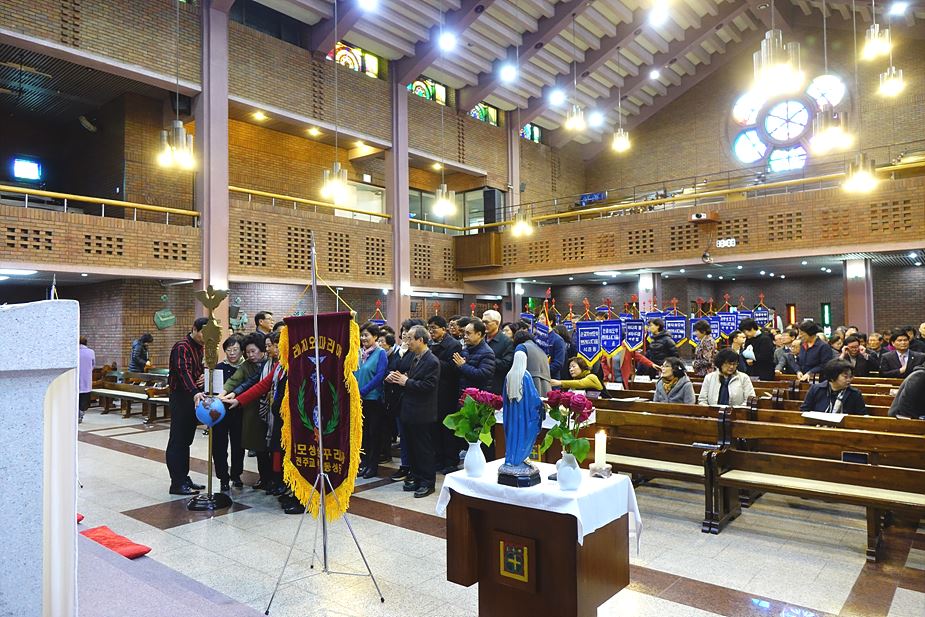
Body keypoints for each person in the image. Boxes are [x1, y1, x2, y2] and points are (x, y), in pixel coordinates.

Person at [225, 331, 287, 497]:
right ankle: (276, 481)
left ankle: (284, 483)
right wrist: (238, 399)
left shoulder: (290, 365)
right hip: (274, 414)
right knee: (274, 448)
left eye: (271, 346)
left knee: (281, 450)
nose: (269, 349)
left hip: (287, 416)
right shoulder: (277, 366)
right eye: (267, 346)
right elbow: (259, 385)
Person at [385, 325, 440, 498]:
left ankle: (427, 482)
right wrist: (396, 378)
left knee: (423, 449)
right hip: (409, 410)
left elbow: (429, 386)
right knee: (412, 448)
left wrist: (406, 382)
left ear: (421, 340)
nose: (407, 342)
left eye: (410, 338)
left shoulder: (432, 361)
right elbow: (406, 375)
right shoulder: (414, 357)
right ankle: (416, 478)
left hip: (422, 412)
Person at [165, 318, 207, 496]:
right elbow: (183, 372)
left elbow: (196, 370)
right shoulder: (182, 346)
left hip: (192, 397)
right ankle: (177, 483)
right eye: (204, 332)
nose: (206, 337)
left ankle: (184, 477)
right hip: (182, 397)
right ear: (194, 329)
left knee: (186, 441)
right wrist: (194, 391)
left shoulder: (200, 347)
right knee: (178, 440)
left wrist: (203, 376)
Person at [221, 333, 268, 488]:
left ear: (262, 350)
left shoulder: (270, 364)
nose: (250, 355)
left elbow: (255, 384)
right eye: (248, 352)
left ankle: (273, 479)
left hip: (269, 409)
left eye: (253, 351)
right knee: (258, 444)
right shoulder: (246, 366)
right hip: (252, 410)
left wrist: (236, 395)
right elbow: (236, 380)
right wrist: (223, 394)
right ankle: (264, 478)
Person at [427, 316, 463, 474]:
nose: (431, 331)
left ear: (443, 329)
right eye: (429, 328)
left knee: (448, 429)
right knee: (435, 428)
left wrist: (432, 359)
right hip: (433, 392)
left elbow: (453, 369)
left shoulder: (453, 345)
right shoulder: (430, 344)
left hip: (448, 392)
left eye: (434, 328)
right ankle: (438, 458)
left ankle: (450, 461)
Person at [212, 335, 246, 491]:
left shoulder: (247, 367)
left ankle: (236, 475)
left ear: (242, 351)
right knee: (219, 446)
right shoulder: (218, 368)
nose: (232, 353)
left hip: (240, 411)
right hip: (220, 413)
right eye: (228, 350)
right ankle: (223, 477)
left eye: (235, 350)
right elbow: (212, 391)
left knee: (238, 445)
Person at [356, 323, 388, 479]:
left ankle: (373, 466)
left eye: (366, 335)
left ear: (375, 336)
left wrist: (363, 391)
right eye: (362, 335)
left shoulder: (380, 353)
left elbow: (380, 375)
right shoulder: (358, 353)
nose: (363, 338)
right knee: (363, 434)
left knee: (374, 433)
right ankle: (364, 463)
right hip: (358, 400)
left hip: (373, 399)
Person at [800, 359, 867, 415]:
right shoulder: (816, 389)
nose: (849, 380)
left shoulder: (855, 394)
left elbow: (861, 416)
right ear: (832, 377)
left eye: (851, 377)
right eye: (845, 377)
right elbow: (804, 410)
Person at [453, 317, 496, 392]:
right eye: (465, 333)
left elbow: (482, 375)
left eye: (468, 333)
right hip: (464, 392)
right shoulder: (466, 349)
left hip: (477, 394)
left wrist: (463, 366)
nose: (465, 336)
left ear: (479, 334)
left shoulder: (487, 353)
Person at [511, 329, 552, 398]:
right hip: (546, 388)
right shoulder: (542, 351)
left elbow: (517, 371)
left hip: (529, 387)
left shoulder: (521, 347)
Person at [482, 310, 514, 395]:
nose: (484, 325)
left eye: (487, 322)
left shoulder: (507, 342)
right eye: (483, 322)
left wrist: (487, 359)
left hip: (496, 387)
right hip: (480, 385)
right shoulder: (480, 339)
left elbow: (506, 364)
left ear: (496, 323)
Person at [536, 312, 566, 378]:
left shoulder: (558, 340)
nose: (539, 321)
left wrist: (543, 371)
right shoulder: (536, 337)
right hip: (536, 375)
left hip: (551, 377)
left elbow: (558, 363)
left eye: (542, 319)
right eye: (539, 319)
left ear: (550, 322)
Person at [78, 336, 95, 424]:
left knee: (76, 397)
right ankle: (81, 414)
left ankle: (76, 414)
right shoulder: (91, 352)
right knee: (84, 398)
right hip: (86, 378)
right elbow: (93, 365)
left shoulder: (75, 351)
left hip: (76, 378)